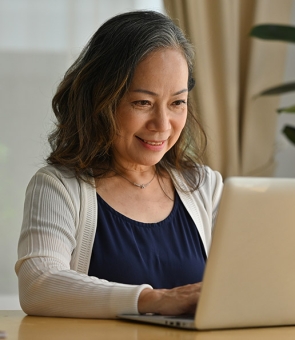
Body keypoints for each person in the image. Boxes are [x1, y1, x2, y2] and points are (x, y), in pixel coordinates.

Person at [15, 10, 223, 318]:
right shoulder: (58, 186)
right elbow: (38, 284)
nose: (162, 124)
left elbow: (246, 283)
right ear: (101, 101)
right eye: (142, 103)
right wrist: (153, 300)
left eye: (177, 102)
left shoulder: (205, 186)